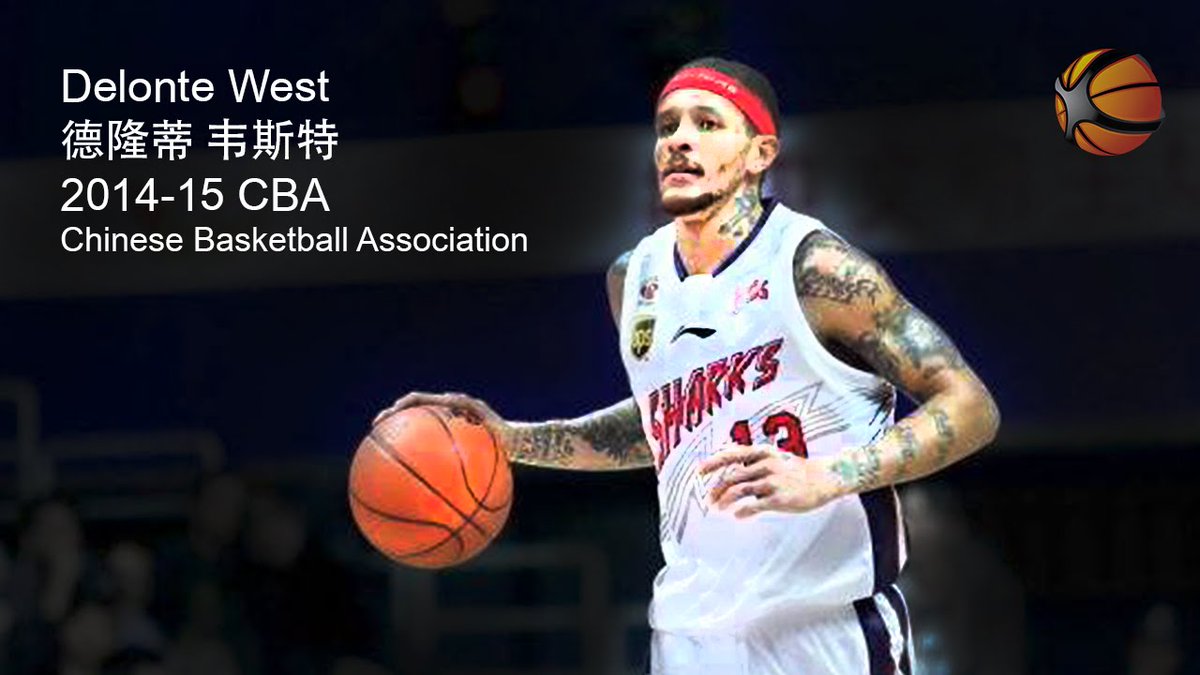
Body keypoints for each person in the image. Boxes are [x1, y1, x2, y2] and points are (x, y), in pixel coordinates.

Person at [379, 57, 1000, 674]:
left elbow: (970, 407)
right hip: (689, 639)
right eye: (667, 125)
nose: (678, 139)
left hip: (823, 633)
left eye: (707, 123)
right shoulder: (633, 279)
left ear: (760, 153)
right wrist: (510, 439)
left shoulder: (816, 269)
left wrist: (829, 476)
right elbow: (662, 426)